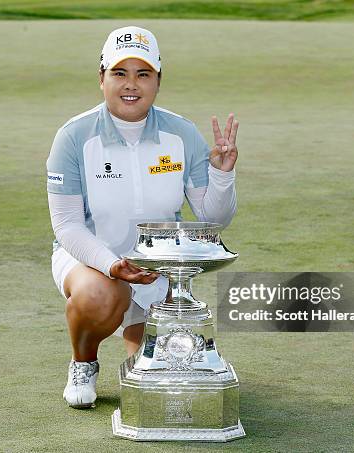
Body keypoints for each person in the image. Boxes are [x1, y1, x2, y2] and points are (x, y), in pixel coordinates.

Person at [46, 26, 239, 408]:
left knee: (156, 372)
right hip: (90, 259)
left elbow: (213, 219)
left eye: (143, 74)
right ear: (101, 78)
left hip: (158, 267)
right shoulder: (73, 136)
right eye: (120, 73)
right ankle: (83, 362)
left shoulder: (181, 134)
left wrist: (222, 174)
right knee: (102, 296)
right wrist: (112, 265)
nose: (131, 84)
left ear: (158, 80)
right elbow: (67, 226)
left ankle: (144, 336)